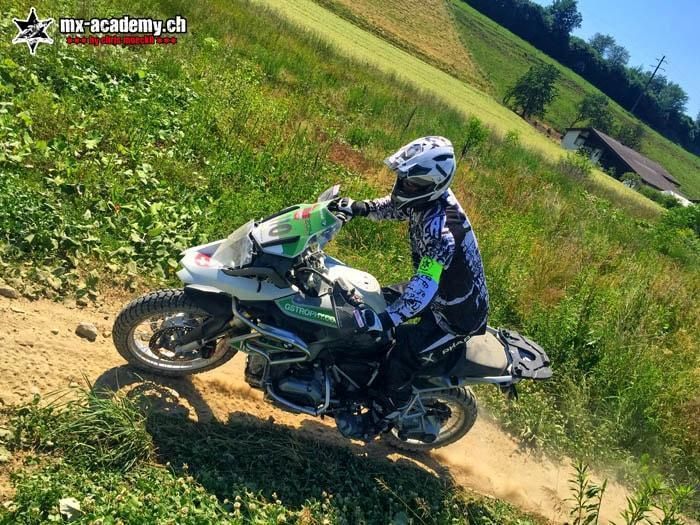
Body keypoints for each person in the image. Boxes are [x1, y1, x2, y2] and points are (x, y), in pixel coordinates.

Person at [330, 136, 490, 440]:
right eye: (403, 179)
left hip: (456, 315)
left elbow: (425, 284)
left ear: (433, 184)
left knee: (401, 357)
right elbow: (395, 207)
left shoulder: (443, 231)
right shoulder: (424, 200)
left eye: (412, 183)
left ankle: (379, 419)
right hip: (439, 291)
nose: (403, 186)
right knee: (365, 298)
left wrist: (389, 319)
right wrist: (358, 208)